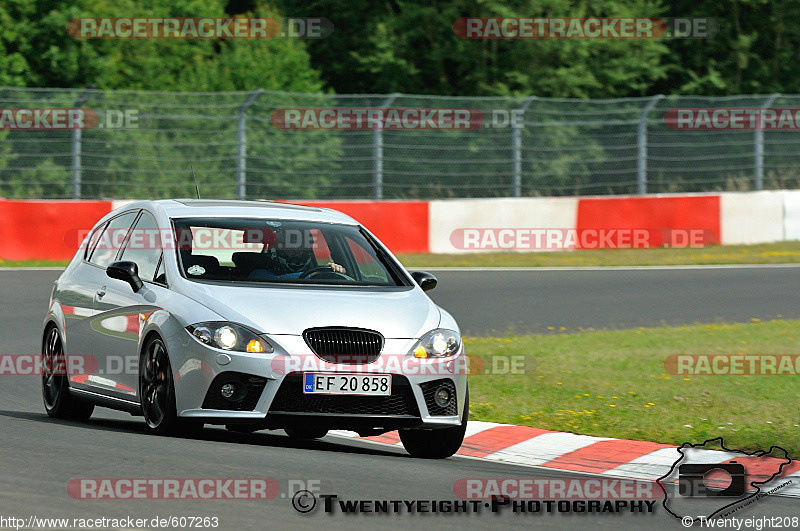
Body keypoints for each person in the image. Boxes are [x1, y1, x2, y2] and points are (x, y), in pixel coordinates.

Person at [248, 227, 347, 280]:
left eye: (303, 248)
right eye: (292, 248)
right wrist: (315, 274)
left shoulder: (317, 273)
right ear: (277, 250)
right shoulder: (258, 274)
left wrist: (335, 270)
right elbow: (276, 280)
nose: (298, 253)